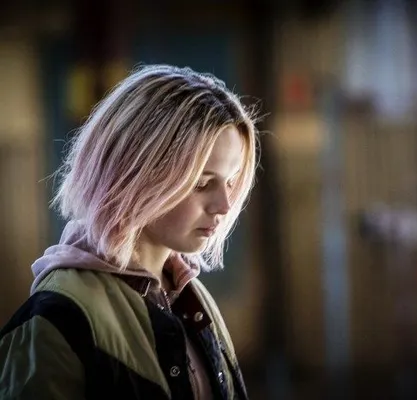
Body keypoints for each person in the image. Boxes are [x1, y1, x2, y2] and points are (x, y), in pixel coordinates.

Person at [0, 64, 258, 399]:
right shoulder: (58, 317)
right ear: (135, 176)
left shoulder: (192, 297)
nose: (224, 205)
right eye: (201, 183)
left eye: (231, 181)